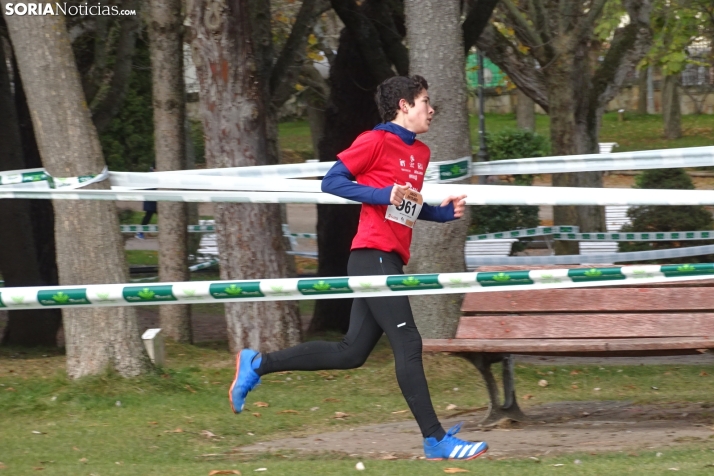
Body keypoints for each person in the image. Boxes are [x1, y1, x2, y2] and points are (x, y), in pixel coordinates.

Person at [229, 75, 488, 461]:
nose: (430, 109)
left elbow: (402, 207)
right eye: (424, 102)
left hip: (389, 256)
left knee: (351, 352)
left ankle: (258, 363)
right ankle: (435, 440)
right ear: (403, 106)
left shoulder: (420, 153)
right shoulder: (375, 140)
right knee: (409, 343)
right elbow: (332, 182)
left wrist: (439, 213)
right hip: (371, 255)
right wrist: (383, 193)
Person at [136, 164, 157, 240]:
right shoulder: (150, 176)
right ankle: (140, 232)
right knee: (148, 216)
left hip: (154, 199)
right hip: (151, 199)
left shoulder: (152, 174)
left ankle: (140, 232)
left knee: (148, 216)